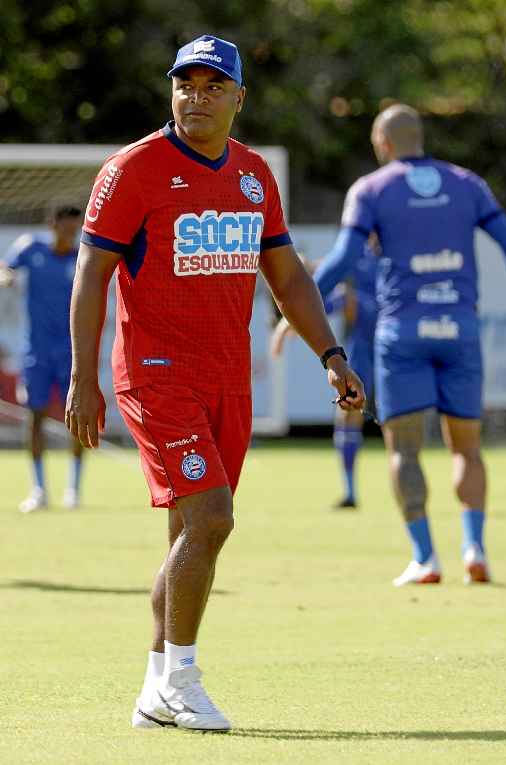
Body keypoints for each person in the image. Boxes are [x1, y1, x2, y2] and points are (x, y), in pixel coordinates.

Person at [65, 34, 365, 732]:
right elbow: (91, 274)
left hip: (227, 378)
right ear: (172, 91)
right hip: (155, 375)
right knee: (213, 519)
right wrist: (85, 374)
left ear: (237, 97)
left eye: (211, 85)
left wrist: (331, 352)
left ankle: (152, 686)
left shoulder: (254, 174)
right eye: (184, 84)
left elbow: (286, 276)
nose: (195, 96)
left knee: (187, 533)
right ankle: (184, 678)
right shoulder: (133, 168)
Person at [313, 103, 506, 586]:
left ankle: (426, 558)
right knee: (466, 447)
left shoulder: (372, 189)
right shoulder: (467, 182)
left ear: (382, 144)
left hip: (402, 334)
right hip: (458, 329)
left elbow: (343, 259)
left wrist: (302, 300)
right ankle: (474, 549)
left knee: (404, 448)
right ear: (420, 138)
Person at [271, 244, 377, 508]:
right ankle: (350, 492)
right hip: (365, 342)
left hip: (390, 337)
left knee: (399, 423)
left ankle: (292, 322)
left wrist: (285, 328)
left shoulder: (391, 248)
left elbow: (344, 292)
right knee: (348, 413)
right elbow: (333, 265)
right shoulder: (360, 248)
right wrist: (305, 265)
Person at [0, 205, 84, 512]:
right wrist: (6, 276)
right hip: (36, 351)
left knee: (77, 418)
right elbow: (5, 267)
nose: (70, 234)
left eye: (75, 229)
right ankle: (38, 489)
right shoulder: (30, 248)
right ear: (53, 224)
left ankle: (73, 489)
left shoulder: (81, 258)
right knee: (34, 416)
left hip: (72, 351)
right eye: (66, 227)